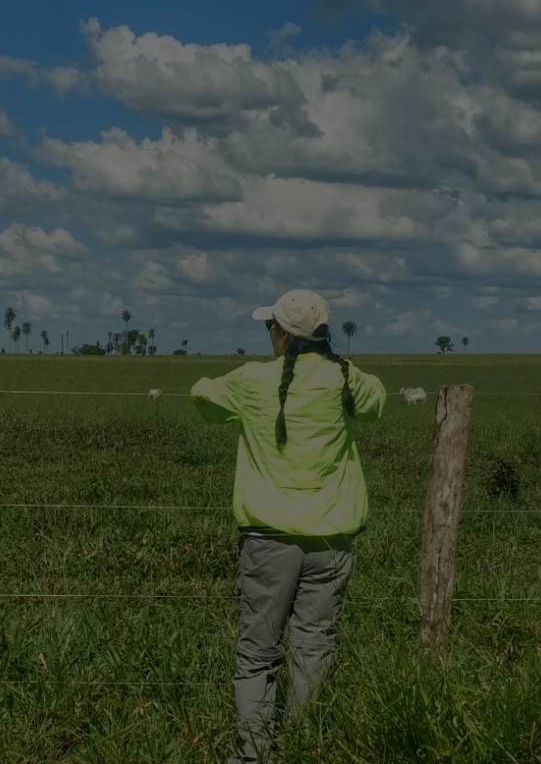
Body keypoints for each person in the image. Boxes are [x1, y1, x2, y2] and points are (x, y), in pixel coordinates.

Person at [190, 288, 386, 763]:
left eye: (269, 329)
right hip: (330, 538)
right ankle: (303, 749)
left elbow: (203, 398)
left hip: (268, 540)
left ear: (279, 334)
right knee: (313, 646)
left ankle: (254, 755)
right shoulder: (346, 379)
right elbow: (377, 401)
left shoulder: (252, 380)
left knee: (258, 651)